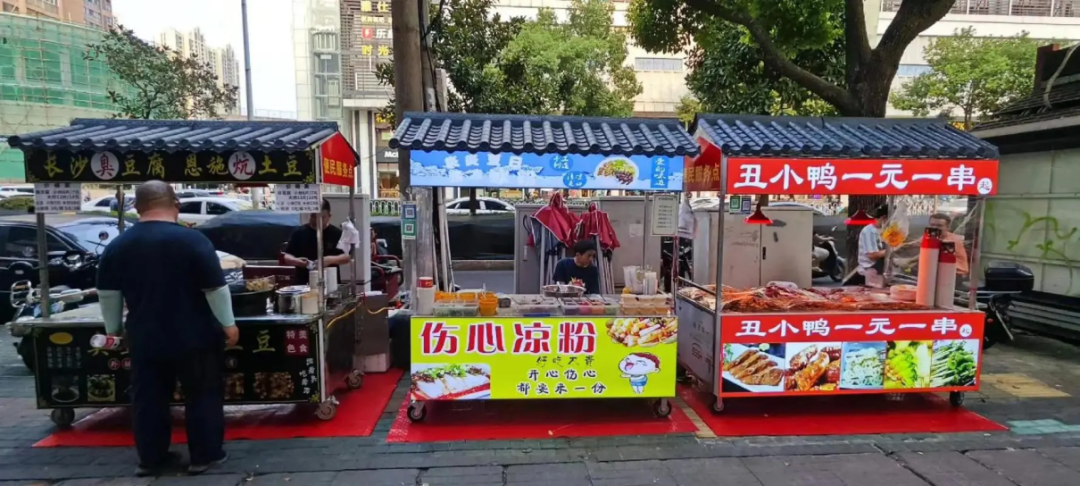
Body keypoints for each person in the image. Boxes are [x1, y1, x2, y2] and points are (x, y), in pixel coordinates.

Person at [97, 181, 237, 477]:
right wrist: (228, 324)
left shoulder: (118, 245)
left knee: (148, 398)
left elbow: (108, 294)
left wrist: (114, 330)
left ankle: (151, 459)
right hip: (194, 334)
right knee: (201, 393)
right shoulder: (192, 240)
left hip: (144, 335)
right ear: (176, 204)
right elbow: (215, 288)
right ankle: (204, 455)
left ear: (137, 207)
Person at [282, 199, 351, 284]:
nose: (317, 220)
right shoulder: (299, 232)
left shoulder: (337, 233)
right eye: (313, 216)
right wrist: (298, 262)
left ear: (329, 216)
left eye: (322, 217)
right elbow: (287, 256)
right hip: (303, 282)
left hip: (330, 281)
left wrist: (330, 260)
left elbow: (347, 257)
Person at [844, 204, 889, 287]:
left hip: (880, 273)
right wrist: (891, 250)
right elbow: (872, 255)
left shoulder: (884, 230)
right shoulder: (869, 231)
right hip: (867, 275)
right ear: (884, 218)